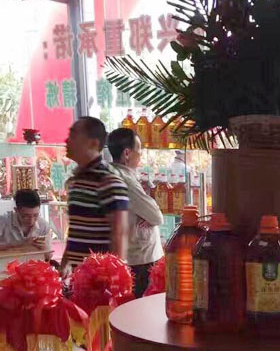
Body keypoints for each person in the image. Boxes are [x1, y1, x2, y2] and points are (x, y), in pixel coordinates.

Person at [62, 117, 129, 272]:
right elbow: (76, 229)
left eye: (73, 135)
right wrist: (66, 261)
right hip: (80, 274)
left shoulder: (108, 180)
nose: (67, 140)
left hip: (99, 276)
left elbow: (119, 233)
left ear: (93, 143)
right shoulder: (78, 180)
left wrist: (115, 275)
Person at [107, 127, 164, 297]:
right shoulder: (125, 179)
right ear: (127, 153)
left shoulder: (110, 172)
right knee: (140, 303)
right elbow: (156, 216)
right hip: (139, 259)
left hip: (126, 256)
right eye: (139, 150)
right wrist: (147, 214)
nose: (140, 155)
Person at [0, 189, 53, 260]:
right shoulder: (3, 222)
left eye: (35, 215)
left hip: (33, 265)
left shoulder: (43, 226)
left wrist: (45, 249)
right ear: (16, 210)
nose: (31, 221)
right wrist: (21, 244)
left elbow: (48, 257)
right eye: (26, 216)